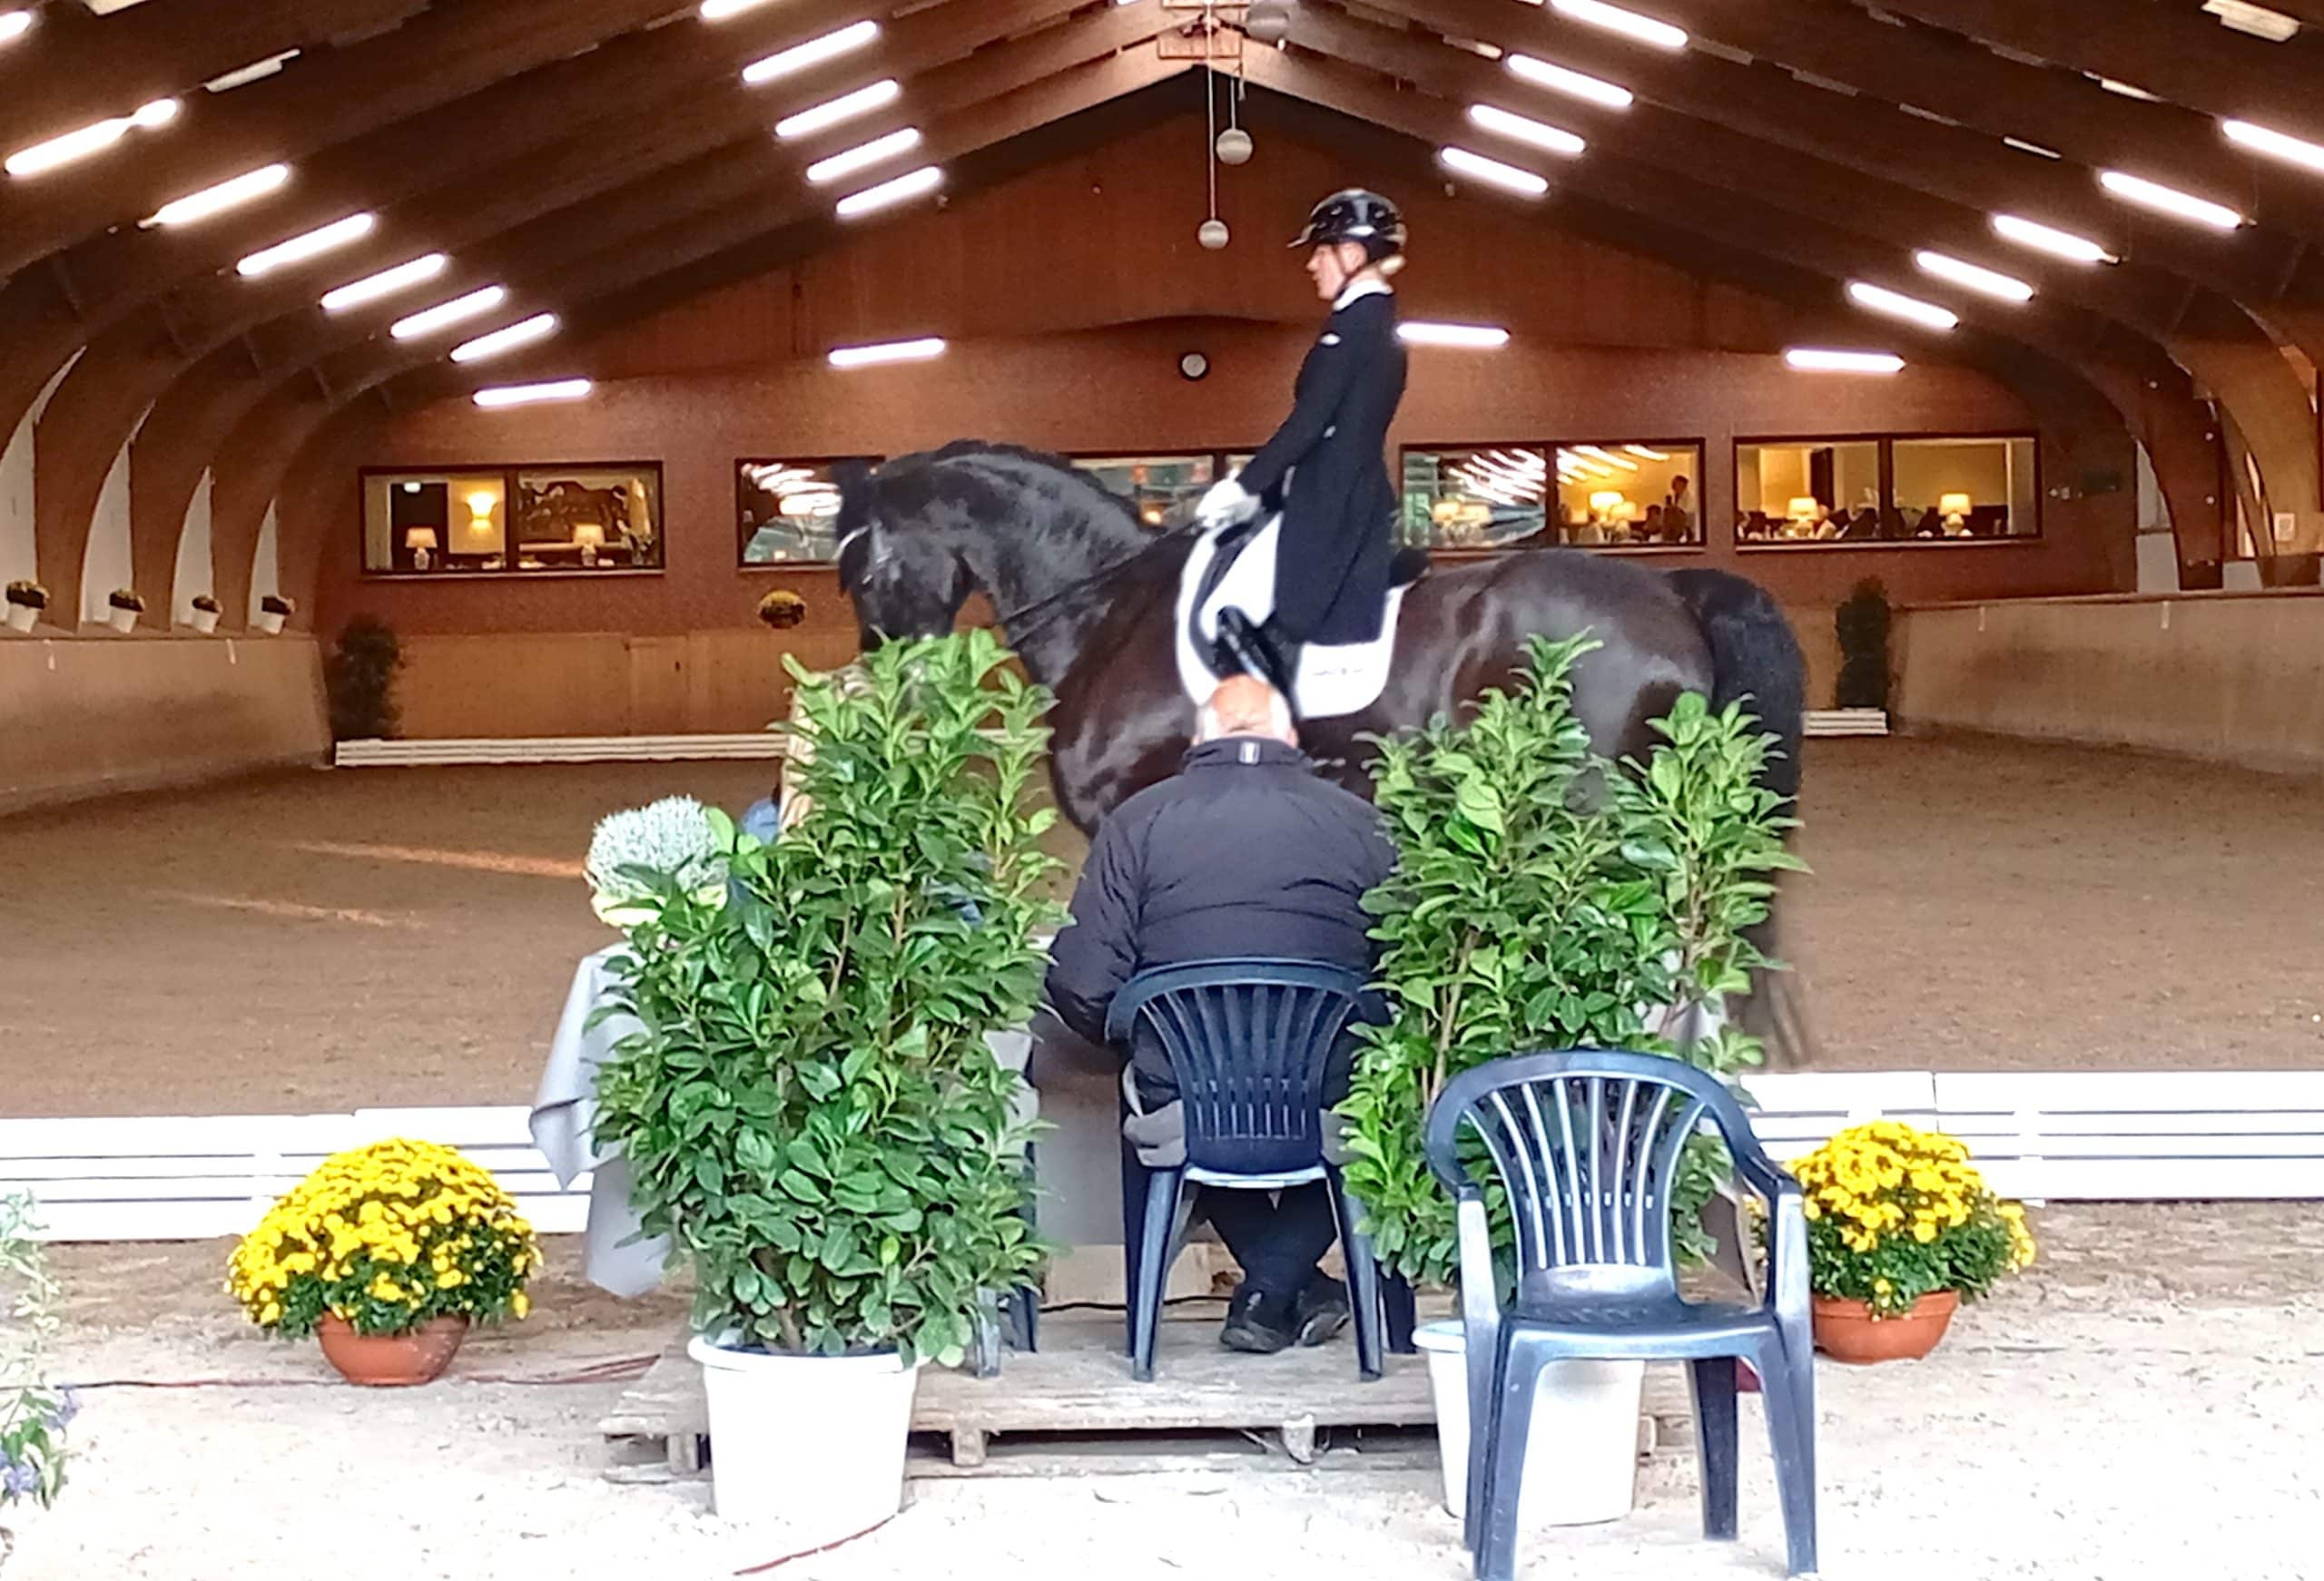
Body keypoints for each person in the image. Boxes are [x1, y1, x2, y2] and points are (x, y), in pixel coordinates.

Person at [1045, 677, 1395, 1354]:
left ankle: (1269, 1288)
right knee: (1375, 1113)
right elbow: (1407, 976)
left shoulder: (1137, 822)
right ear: (1290, 739)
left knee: (1169, 1102)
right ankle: (1288, 1285)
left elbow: (1080, 982)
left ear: (1200, 740)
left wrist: (1136, 1033)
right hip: (1330, 1095)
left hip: (1188, 1097)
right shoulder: (1363, 823)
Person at [1193, 190, 1410, 705]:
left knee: (1229, 601)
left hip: (1330, 500)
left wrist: (1244, 485)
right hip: (1337, 491)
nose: (1312, 264)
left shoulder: (1357, 327)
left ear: (1352, 256)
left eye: (1321, 251)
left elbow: (1312, 420)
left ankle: (1275, 728)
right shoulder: (1370, 324)